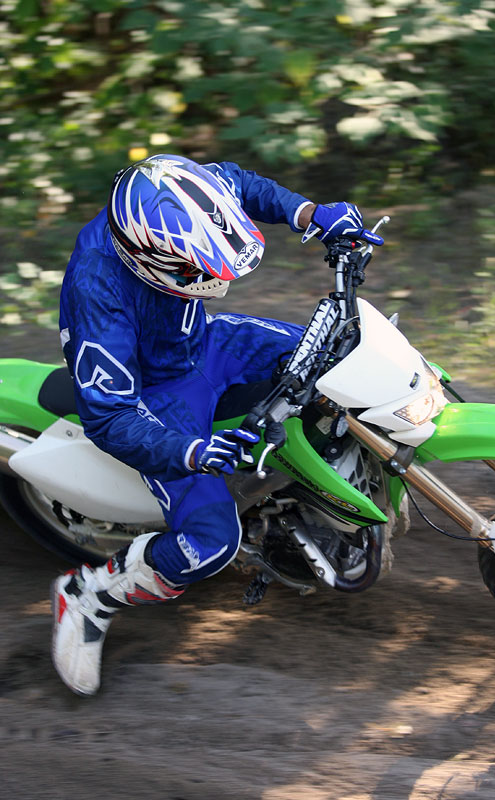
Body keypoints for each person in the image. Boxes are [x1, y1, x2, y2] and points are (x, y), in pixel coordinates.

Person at [51, 153, 365, 696]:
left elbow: (238, 182)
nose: (217, 278)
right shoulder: (96, 291)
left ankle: (324, 499)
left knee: (346, 360)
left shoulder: (176, 191)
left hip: (205, 342)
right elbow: (109, 414)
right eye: (197, 270)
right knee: (210, 542)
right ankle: (89, 595)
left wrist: (310, 213)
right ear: (149, 257)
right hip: (157, 393)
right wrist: (192, 452)